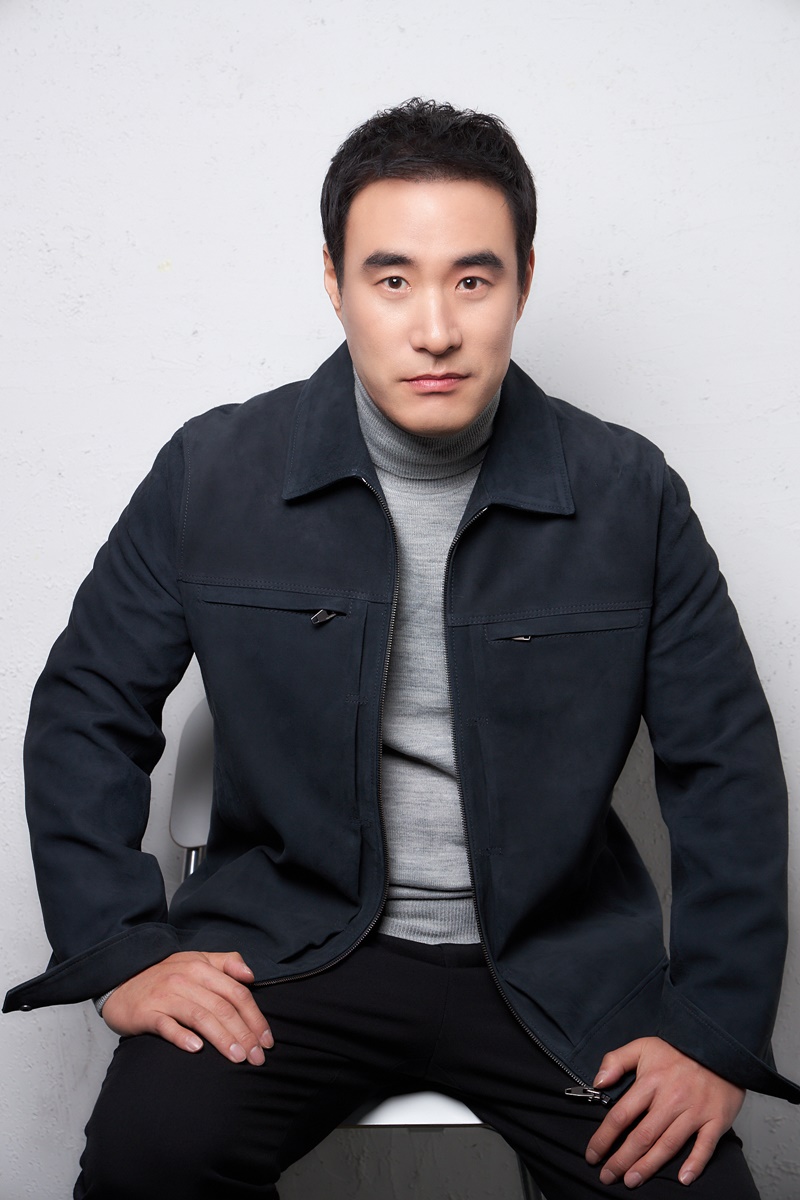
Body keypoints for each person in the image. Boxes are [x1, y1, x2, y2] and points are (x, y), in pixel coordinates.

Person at [4, 99, 798, 1198]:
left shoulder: (629, 495)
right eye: (391, 279)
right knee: (149, 1163)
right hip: (289, 953)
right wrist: (122, 950)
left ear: (523, 281)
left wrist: (709, 1032)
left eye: (472, 280)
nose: (434, 328)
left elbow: (727, 769)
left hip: (558, 969)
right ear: (334, 283)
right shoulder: (214, 473)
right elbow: (85, 708)